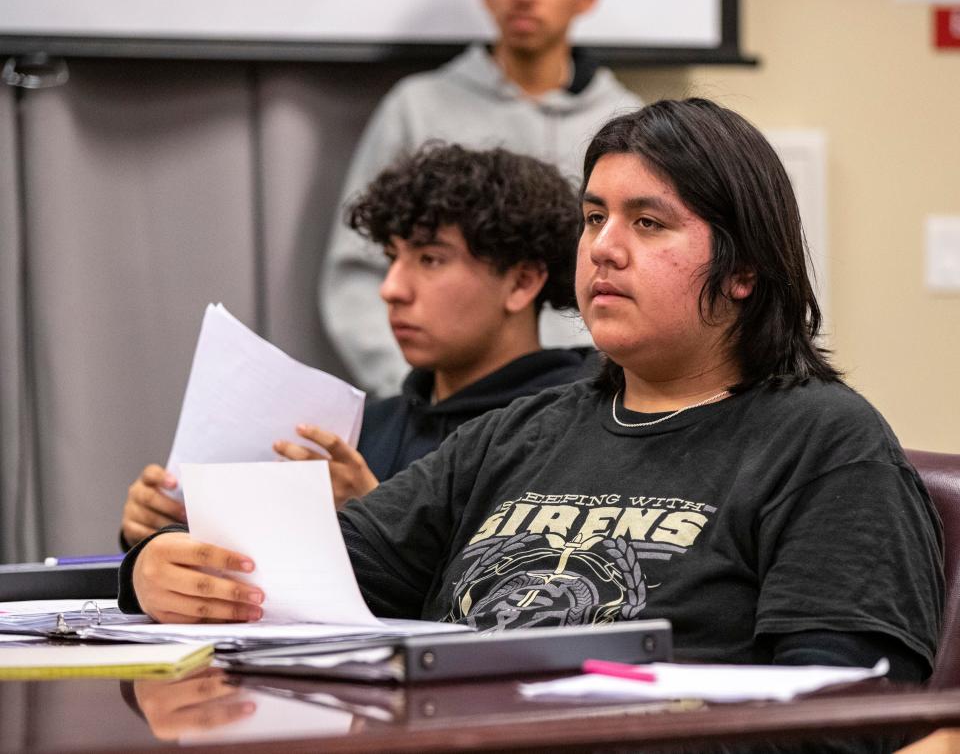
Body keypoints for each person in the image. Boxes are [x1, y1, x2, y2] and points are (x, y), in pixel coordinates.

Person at [120, 99, 943, 683]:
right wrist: (153, 570)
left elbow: (839, 713)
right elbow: (305, 579)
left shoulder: (825, 443)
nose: (604, 250)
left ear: (744, 272)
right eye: (593, 219)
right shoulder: (522, 432)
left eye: (647, 224)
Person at [120, 144, 591, 549]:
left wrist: (374, 514)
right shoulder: (361, 429)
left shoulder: (577, 427)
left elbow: (529, 592)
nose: (391, 288)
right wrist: (167, 532)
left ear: (523, 282)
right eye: (392, 258)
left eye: (429, 259)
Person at [322, 0, 642, 397]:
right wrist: (415, 392)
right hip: (449, 407)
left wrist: (610, 394)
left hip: (590, 403)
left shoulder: (626, 124)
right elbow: (358, 272)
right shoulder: (418, 108)